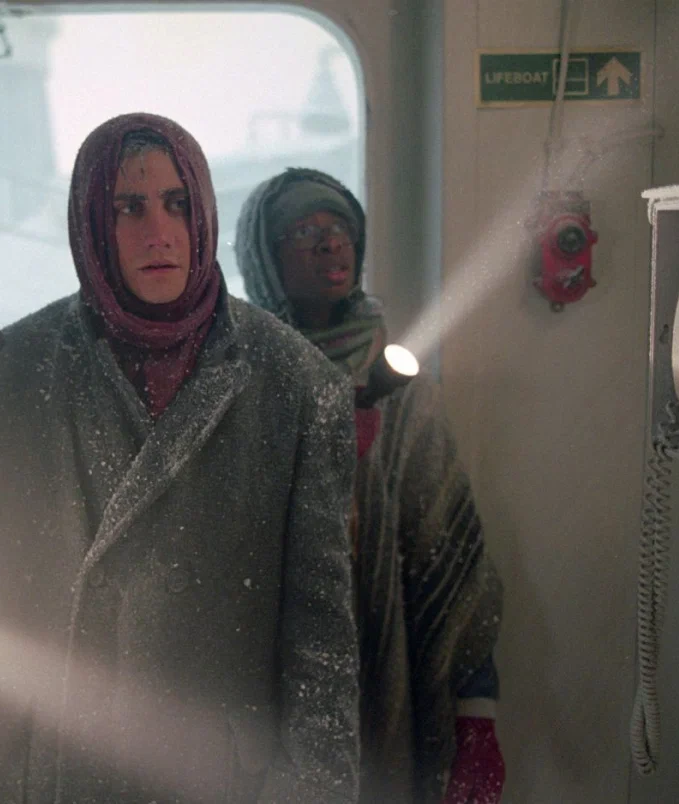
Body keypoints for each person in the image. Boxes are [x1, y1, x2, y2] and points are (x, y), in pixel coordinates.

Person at [0, 114, 360, 804]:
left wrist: (316, 787)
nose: (159, 232)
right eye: (128, 208)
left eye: (177, 204)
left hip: (217, 770)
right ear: (91, 224)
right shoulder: (13, 369)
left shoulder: (295, 382)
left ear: (204, 215)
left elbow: (321, 633)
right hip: (55, 764)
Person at [235, 167, 505, 804]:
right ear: (265, 259)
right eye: (304, 231)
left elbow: (449, 555)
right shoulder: (240, 381)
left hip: (384, 685)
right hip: (270, 696)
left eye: (340, 228)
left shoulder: (399, 390)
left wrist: (477, 714)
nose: (330, 243)